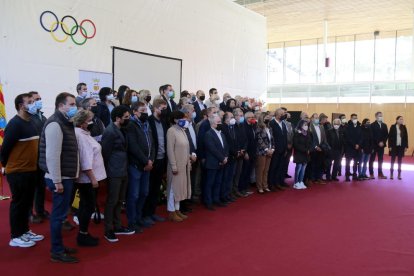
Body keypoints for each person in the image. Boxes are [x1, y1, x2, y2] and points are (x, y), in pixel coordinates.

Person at [39, 92, 79, 263]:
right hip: (59, 176)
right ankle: (56, 251)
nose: (74, 107)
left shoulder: (65, 122)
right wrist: (57, 180)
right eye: (71, 104)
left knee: (61, 215)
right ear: (61, 106)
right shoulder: (55, 124)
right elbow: (52, 155)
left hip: (65, 175)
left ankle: (59, 247)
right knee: (58, 216)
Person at [1, 93, 44, 248]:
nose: (34, 104)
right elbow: (5, 149)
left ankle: (24, 230)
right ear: (21, 105)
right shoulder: (15, 124)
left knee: (26, 203)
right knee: (18, 203)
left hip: (31, 169)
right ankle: (15, 235)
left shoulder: (31, 122)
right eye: (30, 102)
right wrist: (6, 166)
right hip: (18, 171)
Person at [101, 105, 135, 242]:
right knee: (112, 201)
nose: (128, 119)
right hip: (113, 171)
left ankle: (118, 225)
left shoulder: (123, 129)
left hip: (123, 169)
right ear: (117, 118)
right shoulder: (110, 131)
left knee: (120, 200)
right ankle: (108, 229)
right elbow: (105, 153)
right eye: (126, 117)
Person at [73, 110, 106, 246]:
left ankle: (83, 232)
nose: (92, 122)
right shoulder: (80, 135)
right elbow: (86, 160)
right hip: (88, 179)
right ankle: (83, 234)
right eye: (90, 120)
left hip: (91, 177)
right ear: (82, 122)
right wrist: (93, 179)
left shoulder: (85, 133)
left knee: (86, 206)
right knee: (88, 206)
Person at [125, 101, 155, 232]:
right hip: (136, 165)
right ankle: (132, 221)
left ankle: (139, 217)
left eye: (146, 110)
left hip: (147, 164)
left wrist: (151, 160)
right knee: (134, 195)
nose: (145, 113)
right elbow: (133, 147)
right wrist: (145, 161)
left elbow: (152, 144)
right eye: (142, 110)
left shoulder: (147, 123)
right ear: (135, 112)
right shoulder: (131, 125)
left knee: (144, 193)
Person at [142, 99, 168, 225]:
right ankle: (145, 214)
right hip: (152, 159)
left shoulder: (163, 122)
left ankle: (152, 212)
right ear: (155, 108)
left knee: (156, 189)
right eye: (162, 109)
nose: (164, 111)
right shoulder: (148, 121)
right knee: (148, 188)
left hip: (162, 158)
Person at [166, 111, 192, 221]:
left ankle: (177, 210)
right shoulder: (171, 131)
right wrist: (173, 166)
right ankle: (171, 212)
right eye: (182, 118)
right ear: (175, 119)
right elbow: (170, 150)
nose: (185, 120)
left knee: (180, 189)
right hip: (175, 165)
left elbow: (186, 148)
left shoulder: (182, 130)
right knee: (173, 190)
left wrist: (188, 162)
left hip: (183, 165)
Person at [27, 91, 49, 223]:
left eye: (40, 98)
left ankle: (40, 210)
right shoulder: (28, 118)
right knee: (30, 188)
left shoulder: (43, 117)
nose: (39, 101)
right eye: (36, 99)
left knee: (41, 186)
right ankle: (29, 213)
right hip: (31, 158)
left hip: (42, 157)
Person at [203, 114, 229, 210]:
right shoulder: (208, 134)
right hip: (213, 163)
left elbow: (226, 147)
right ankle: (208, 202)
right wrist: (222, 159)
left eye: (220, 121)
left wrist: (225, 157)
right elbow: (212, 149)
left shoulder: (221, 134)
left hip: (222, 162)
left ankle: (216, 199)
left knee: (218, 182)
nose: (220, 123)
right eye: (218, 122)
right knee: (210, 183)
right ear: (213, 123)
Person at [268, 108, 288, 191]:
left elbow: (285, 136)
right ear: (277, 115)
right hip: (275, 150)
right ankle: (271, 184)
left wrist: (286, 148)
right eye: (282, 113)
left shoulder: (283, 123)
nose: (284, 115)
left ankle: (277, 183)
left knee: (280, 167)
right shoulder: (271, 123)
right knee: (273, 167)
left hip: (283, 149)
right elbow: (271, 138)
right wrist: (273, 148)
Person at [255, 112, 274, 193]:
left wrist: (272, 149)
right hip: (262, 152)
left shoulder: (270, 128)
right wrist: (266, 149)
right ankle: (259, 187)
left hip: (270, 151)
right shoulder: (258, 128)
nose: (268, 118)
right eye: (266, 117)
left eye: (268, 117)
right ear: (262, 118)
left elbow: (272, 140)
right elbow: (259, 140)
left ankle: (265, 185)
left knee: (266, 170)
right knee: (261, 170)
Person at [221, 111, 239, 201]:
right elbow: (227, 143)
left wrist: (238, 151)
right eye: (231, 117)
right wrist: (234, 152)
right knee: (226, 177)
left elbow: (235, 141)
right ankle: (224, 195)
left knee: (231, 176)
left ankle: (228, 194)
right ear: (226, 118)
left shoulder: (232, 127)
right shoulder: (223, 128)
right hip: (228, 156)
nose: (233, 119)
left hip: (234, 156)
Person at [238, 112, 257, 196]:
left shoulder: (252, 126)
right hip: (247, 153)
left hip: (253, 152)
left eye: (253, 117)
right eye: (250, 117)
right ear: (246, 118)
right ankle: (241, 189)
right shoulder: (243, 126)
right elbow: (243, 141)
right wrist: (245, 152)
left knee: (248, 171)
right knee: (244, 171)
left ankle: (246, 188)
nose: (252, 118)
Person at [309, 113, 328, 184]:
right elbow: (310, 139)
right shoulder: (309, 127)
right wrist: (315, 146)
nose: (317, 119)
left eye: (317, 118)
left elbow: (324, 138)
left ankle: (318, 178)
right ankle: (312, 178)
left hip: (321, 148)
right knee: (312, 164)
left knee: (320, 164)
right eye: (315, 118)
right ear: (312, 118)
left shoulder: (321, 126)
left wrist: (325, 146)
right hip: (313, 149)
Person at [369, 112, 389, 179]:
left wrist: (383, 142)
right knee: (372, 159)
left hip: (382, 146)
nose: (380, 117)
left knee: (381, 160)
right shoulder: (372, 125)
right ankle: (371, 174)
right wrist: (378, 142)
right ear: (376, 116)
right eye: (379, 116)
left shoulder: (384, 125)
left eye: (381, 116)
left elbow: (386, 135)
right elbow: (372, 136)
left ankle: (380, 173)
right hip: (374, 145)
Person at [293, 120, 312, 189]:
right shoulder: (297, 133)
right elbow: (296, 144)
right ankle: (296, 182)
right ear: (301, 125)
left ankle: (301, 181)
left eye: (307, 125)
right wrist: (305, 150)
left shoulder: (308, 133)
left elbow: (310, 143)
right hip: (299, 153)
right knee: (298, 168)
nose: (306, 126)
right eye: (305, 125)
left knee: (303, 169)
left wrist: (309, 149)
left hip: (306, 154)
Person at [388, 116, 408, 180]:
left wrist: (406, 146)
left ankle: (399, 174)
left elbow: (406, 138)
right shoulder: (393, 127)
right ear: (397, 120)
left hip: (401, 147)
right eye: (400, 119)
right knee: (392, 160)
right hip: (393, 146)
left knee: (400, 161)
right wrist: (389, 146)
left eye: (402, 119)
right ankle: (391, 173)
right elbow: (390, 137)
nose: (402, 120)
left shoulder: (404, 127)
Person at [344, 114, 362, 182]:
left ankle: (355, 175)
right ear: (351, 118)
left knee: (356, 163)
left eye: (356, 118)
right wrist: (354, 144)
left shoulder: (359, 127)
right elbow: (348, 137)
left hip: (357, 148)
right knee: (348, 163)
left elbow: (361, 137)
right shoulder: (347, 127)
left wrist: (358, 144)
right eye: (354, 118)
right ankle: (347, 176)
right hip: (349, 148)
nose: (355, 119)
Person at [281, 107, 293, 179]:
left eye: (286, 112)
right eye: (284, 113)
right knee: (282, 163)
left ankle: (285, 173)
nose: (285, 114)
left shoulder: (289, 123)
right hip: (283, 146)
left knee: (287, 161)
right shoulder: (280, 123)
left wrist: (291, 143)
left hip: (290, 145)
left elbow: (291, 134)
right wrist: (286, 144)